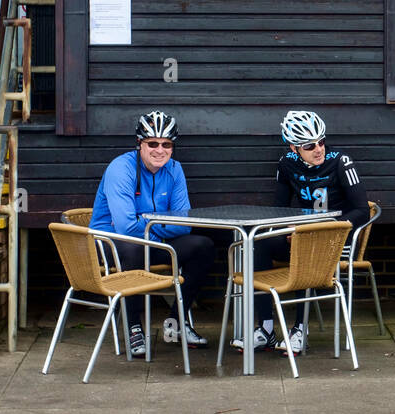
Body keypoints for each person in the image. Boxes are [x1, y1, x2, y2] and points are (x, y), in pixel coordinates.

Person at [241, 110, 370, 356]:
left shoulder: (341, 161)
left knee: (304, 245)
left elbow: (362, 211)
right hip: (302, 235)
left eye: (321, 141)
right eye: (309, 145)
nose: (318, 149)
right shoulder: (286, 164)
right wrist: (286, 229)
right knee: (258, 243)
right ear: (293, 147)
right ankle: (266, 328)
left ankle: (300, 329)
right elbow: (278, 210)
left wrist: (322, 230)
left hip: (336, 237)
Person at [90, 110, 216, 356]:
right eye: (153, 143)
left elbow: (184, 223)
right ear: (139, 144)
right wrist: (162, 233)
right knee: (133, 247)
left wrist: (152, 231)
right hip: (111, 243)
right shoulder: (121, 169)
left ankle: (176, 323)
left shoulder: (175, 170)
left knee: (203, 246)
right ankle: (134, 327)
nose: (160, 150)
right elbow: (125, 228)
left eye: (167, 144)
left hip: (155, 244)